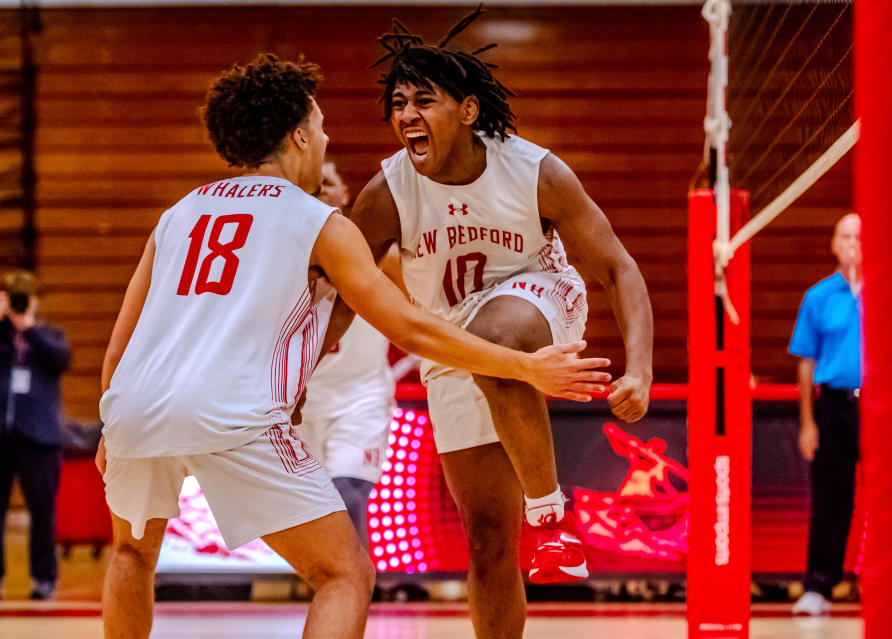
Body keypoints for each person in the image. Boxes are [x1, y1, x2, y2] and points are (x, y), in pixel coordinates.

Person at [95, 54, 610, 639]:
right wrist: (523, 366)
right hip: (231, 412)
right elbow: (410, 330)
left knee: (131, 556)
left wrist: (112, 421)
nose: (326, 136)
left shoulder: (178, 215)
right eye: (319, 126)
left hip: (135, 406)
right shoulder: (317, 220)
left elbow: (123, 338)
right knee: (345, 574)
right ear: (297, 136)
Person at [340, 9, 654, 637]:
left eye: (423, 101)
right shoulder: (388, 191)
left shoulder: (536, 171)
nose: (406, 115)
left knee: (498, 337)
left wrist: (641, 370)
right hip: (450, 341)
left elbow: (619, 269)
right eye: (397, 103)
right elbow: (337, 290)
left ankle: (551, 517)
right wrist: (291, 376)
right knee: (485, 544)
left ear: (468, 111)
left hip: (542, 302)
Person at [297, 160, 415, 547]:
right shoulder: (281, 254)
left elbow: (423, 309)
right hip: (297, 400)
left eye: (327, 183)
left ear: (346, 193)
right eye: (311, 186)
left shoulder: (380, 255)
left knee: (348, 499)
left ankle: (352, 594)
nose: (320, 191)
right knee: (309, 516)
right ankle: (332, 592)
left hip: (359, 396)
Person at [788, 213, 862, 616]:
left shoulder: (888, 293)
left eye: (860, 237)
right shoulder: (818, 297)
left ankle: (891, 582)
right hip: (834, 407)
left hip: (880, 405)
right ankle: (818, 586)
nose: (853, 244)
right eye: (846, 236)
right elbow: (805, 364)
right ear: (835, 243)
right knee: (832, 498)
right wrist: (808, 423)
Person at [0, 270, 71, 601]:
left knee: (42, 511)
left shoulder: (50, 335)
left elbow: (60, 360)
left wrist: (27, 327)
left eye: (21, 297)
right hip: (3, 436)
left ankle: (44, 578)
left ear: (35, 301)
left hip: (39, 439)